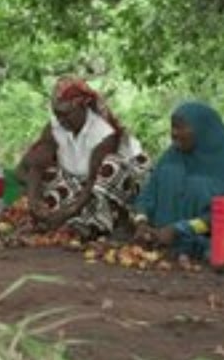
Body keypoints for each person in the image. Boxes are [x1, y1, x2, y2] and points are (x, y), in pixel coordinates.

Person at [18, 77, 150, 239]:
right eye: (57, 114)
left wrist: (68, 212)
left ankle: (117, 222)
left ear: (82, 106)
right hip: (83, 182)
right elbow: (34, 164)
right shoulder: (56, 127)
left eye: (66, 114)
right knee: (48, 175)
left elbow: (93, 184)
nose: (61, 120)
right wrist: (33, 201)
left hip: (120, 181)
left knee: (110, 168)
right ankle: (76, 221)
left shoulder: (103, 132)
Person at [133, 101, 224, 260]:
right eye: (173, 127)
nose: (174, 133)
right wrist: (141, 222)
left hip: (205, 237)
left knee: (198, 185)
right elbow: (147, 195)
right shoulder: (172, 155)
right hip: (160, 239)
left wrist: (180, 229)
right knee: (170, 173)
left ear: (203, 129)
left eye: (181, 127)